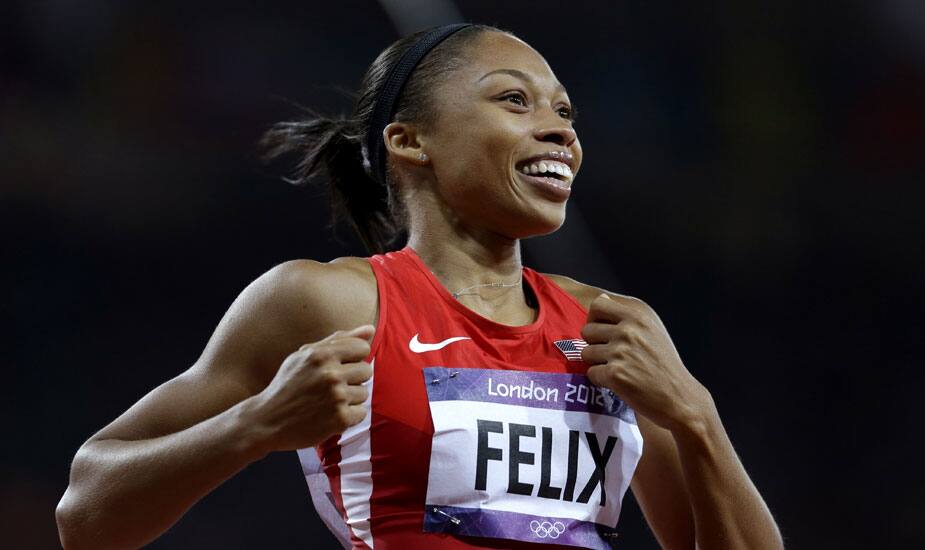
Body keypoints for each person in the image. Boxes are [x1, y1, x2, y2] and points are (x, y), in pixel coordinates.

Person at [55, 23, 784, 550]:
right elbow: (86, 513)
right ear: (409, 141)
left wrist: (696, 416)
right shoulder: (330, 303)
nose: (561, 131)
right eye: (515, 101)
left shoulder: (611, 330)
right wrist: (256, 426)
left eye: (565, 111)